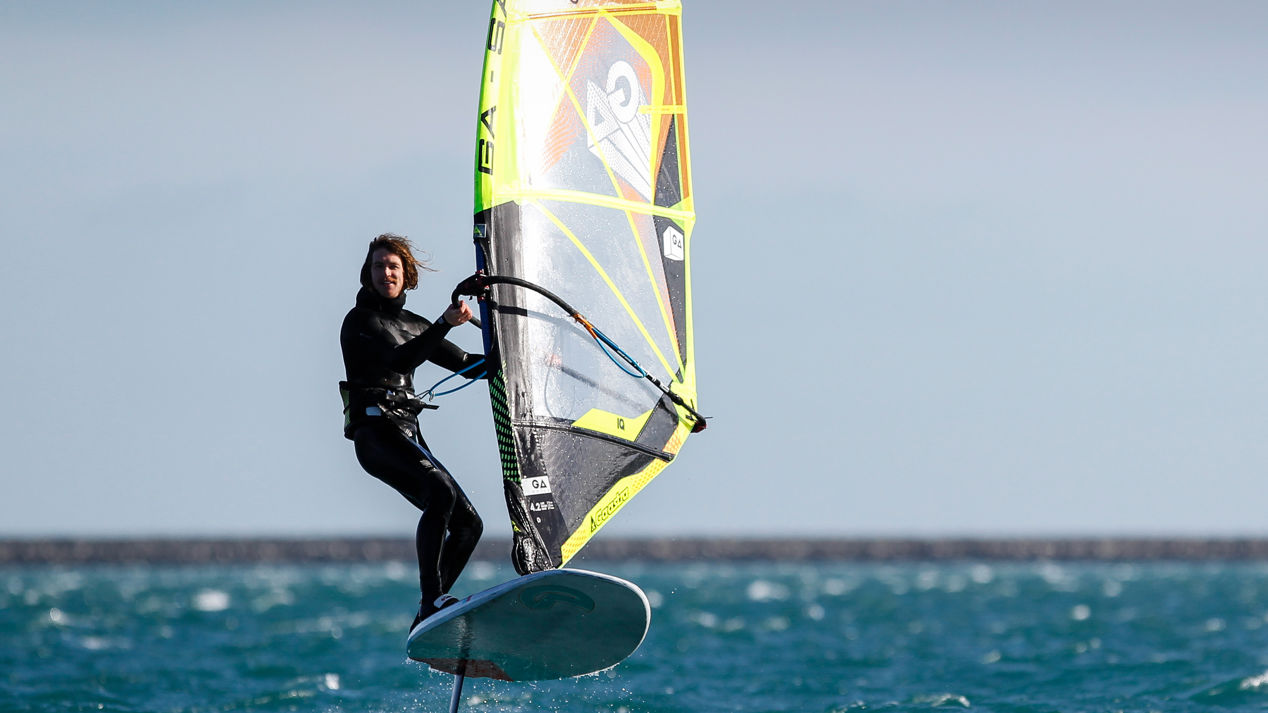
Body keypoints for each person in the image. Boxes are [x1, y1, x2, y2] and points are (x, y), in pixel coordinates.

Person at [339, 233, 485, 632]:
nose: (385, 272)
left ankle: (428, 612)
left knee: (470, 525)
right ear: (367, 275)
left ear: (407, 275)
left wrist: (527, 355)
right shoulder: (361, 321)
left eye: (393, 267)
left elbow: (471, 366)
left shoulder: (413, 324)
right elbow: (400, 357)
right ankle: (431, 599)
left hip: (406, 434)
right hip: (375, 434)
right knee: (440, 494)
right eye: (378, 266)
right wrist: (443, 324)